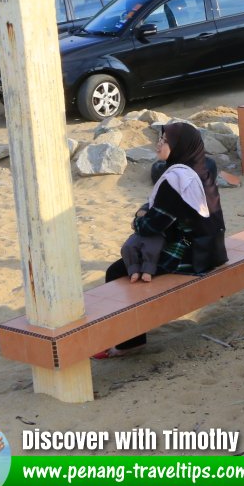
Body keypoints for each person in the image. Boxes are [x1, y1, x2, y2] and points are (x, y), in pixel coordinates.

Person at [93, 122, 227, 359]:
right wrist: (148, 211)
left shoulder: (176, 180)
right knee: (133, 266)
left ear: (177, 146)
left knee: (116, 272)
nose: (158, 144)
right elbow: (167, 211)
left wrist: (138, 217)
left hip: (188, 253)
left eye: (164, 141)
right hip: (210, 248)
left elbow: (151, 226)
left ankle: (130, 342)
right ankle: (131, 334)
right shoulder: (201, 170)